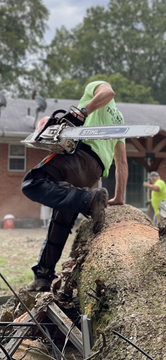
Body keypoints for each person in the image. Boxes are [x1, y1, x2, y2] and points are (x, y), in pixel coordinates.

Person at [21, 80, 128, 292]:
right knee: (61, 219)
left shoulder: (96, 86)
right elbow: (122, 163)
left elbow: (108, 90)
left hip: (79, 156)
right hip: (94, 173)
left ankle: (88, 201)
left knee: (32, 183)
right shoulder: (120, 118)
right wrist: (119, 197)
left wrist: (82, 111)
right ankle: (43, 277)